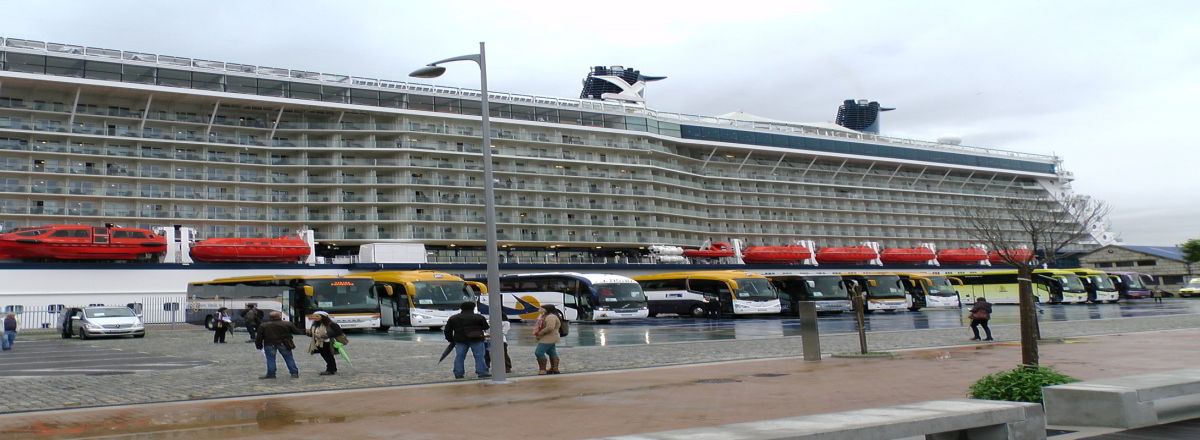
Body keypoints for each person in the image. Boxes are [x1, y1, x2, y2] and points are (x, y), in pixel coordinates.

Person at [443, 301, 490, 379]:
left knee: (460, 357)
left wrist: (451, 339)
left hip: (460, 340)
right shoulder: (479, 317)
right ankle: (482, 372)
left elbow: (447, 330)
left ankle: (458, 373)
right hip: (476, 339)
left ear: (461, 308)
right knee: (479, 356)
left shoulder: (454, 318)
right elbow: (486, 327)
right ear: (473, 308)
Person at [254, 311, 302, 379]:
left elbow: (259, 337)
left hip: (269, 344)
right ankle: (294, 373)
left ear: (270, 317)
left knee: (270, 359)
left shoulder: (264, 325)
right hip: (284, 343)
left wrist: (258, 345)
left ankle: (271, 374)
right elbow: (296, 331)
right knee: (289, 358)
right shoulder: (287, 323)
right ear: (280, 316)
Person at [306, 311, 343, 376]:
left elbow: (338, 332)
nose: (315, 317)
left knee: (328, 356)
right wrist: (309, 333)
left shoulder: (331, 324)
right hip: (318, 342)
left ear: (323, 317)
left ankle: (330, 369)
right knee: (325, 356)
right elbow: (312, 333)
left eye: (317, 316)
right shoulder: (315, 324)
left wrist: (326, 335)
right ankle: (332, 368)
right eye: (314, 316)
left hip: (327, 342)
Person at [533, 304, 563, 375]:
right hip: (549, 337)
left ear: (547, 309)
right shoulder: (545, 316)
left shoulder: (551, 317)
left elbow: (550, 328)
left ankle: (542, 369)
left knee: (539, 352)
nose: (539, 310)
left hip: (549, 338)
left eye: (542, 308)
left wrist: (540, 333)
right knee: (551, 352)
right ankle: (554, 368)